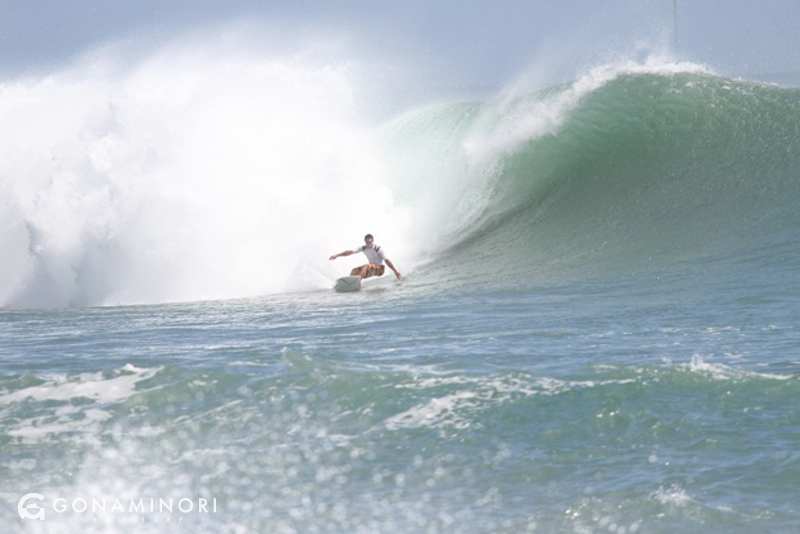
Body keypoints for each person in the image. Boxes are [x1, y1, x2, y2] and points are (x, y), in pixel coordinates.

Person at [330, 234, 401, 280]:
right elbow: (350, 252)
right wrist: (337, 255)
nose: (369, 244)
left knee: (366, 266)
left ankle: (357, 281)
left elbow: (387, 260)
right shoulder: (363, 248)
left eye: (370, 242)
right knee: (354, 271)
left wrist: (395, 271)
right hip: (370, 269)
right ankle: (350, 284)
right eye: (367, 242)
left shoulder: (378, 249)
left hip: (380, 270)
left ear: (373, 241)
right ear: (365, 242)